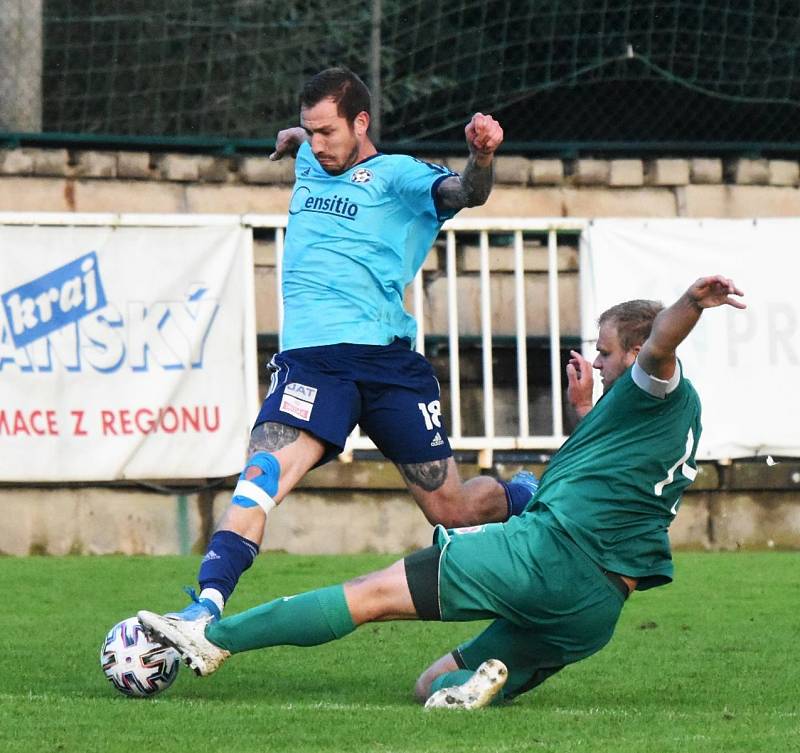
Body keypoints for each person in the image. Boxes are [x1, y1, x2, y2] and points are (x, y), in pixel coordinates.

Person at [139, 275, 746, 709]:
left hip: (544, 557)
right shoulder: (662, 421)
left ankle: (210, 638)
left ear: (637, 355)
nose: (597, 359)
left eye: (606, 352)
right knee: (430, 685)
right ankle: (478, 686)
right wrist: (584, 408)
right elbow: (609, 465)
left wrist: (692, 302)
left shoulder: (655, 382)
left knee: (370, 594)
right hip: (596, 608)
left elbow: (664, 342)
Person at [164, 67, 538, 626]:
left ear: (361, 123)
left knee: (452, 511)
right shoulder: (312, 155)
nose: (317, 145)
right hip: (313, 364)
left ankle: (521, 496)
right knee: (261, 476)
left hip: (388, 363)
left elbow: (467, 193)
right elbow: (304, 138)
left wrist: (481, 158)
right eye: (310, 133)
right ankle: (204, 607)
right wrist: (296, 138)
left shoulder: (400, 177)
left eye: (327, 133)